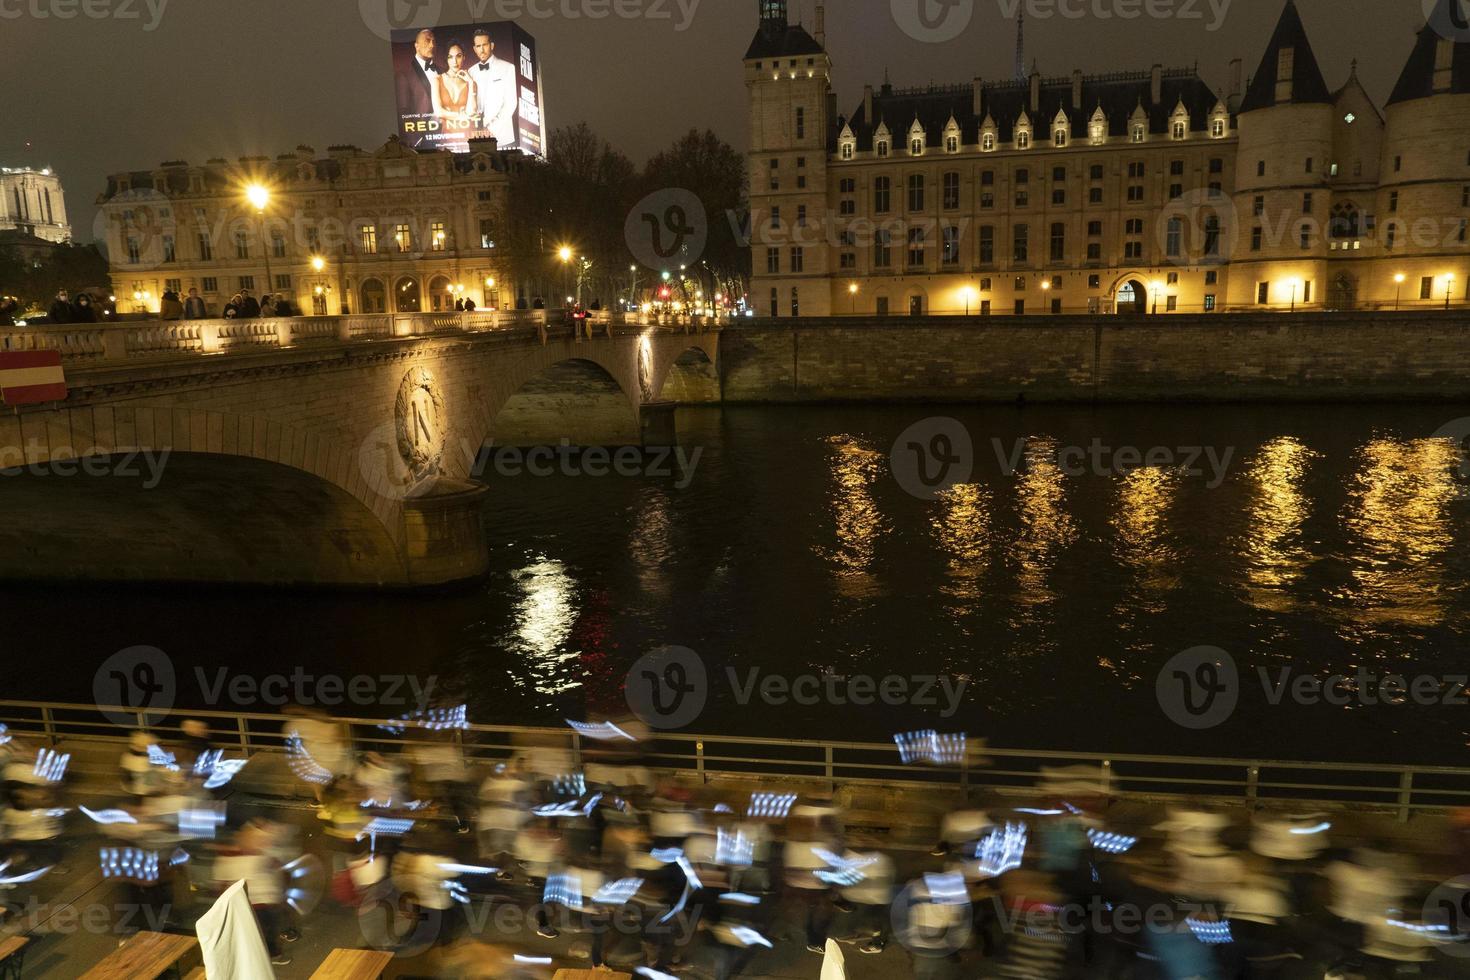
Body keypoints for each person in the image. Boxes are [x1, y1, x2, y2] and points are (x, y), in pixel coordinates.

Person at [469, 28, 517, 148]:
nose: (482, 49)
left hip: (502, 137)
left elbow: (511, 103)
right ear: (474, 49)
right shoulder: (471, 71)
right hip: (476, 137)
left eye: (484, 45)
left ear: (492, 45)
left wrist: (492, 127)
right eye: (478, 46)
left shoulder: (507, 68)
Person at [396, 29, 439, 144]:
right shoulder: (404, 74)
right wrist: (415, 141)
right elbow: (403, 112)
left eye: (434, 41)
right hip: (420, 140)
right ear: (417, 46)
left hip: (447, 136)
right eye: (427, 41)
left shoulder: (443, 70)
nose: (432, 45)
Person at [433, 42, 480, 141]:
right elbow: (438, 112)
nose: (454, 61)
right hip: (447, 137)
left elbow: (471, 111)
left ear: (464, 57)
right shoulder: (437, 80)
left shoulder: (470, 82)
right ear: (446, 59)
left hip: (469, 136)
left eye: (458, 56)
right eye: (450, 57)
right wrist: (462, 116)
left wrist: (471, 83)